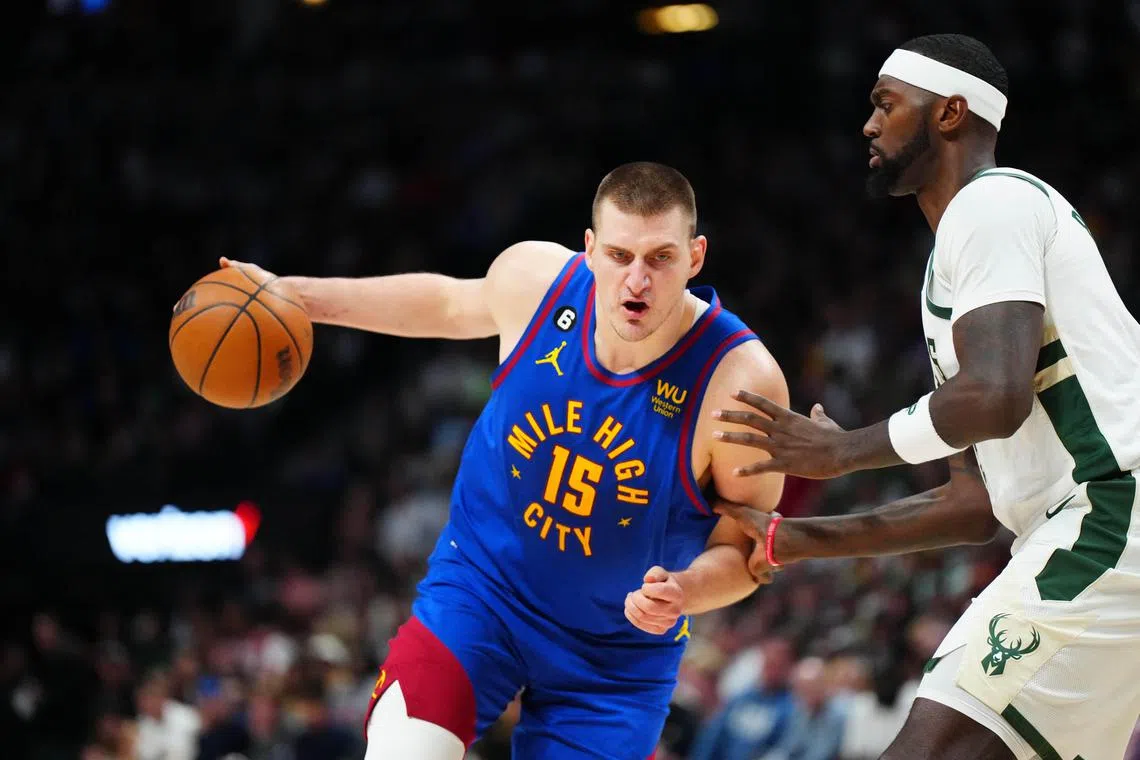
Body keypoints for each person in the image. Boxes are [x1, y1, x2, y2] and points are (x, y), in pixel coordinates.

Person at [219, 161, 789, 759]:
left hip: (616, 657)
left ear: (695, 257)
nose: (637, 281)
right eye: (620, 256)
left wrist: (686, 588)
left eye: (660, 258)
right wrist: (292, 295)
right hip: (482, 595)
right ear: (590, 249)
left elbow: (747, 552)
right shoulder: (535, 281)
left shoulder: (740, 384)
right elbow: (444, 303)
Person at [714, 34, 1140, 760]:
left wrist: (844, 450)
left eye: (886, 105)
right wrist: (799, 539)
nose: (868, 125)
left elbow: (997, 398)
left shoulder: (993, 203)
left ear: (949, 113)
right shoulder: (961, 264)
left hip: (1109, 516)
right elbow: (972, 504)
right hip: (1090, 532)